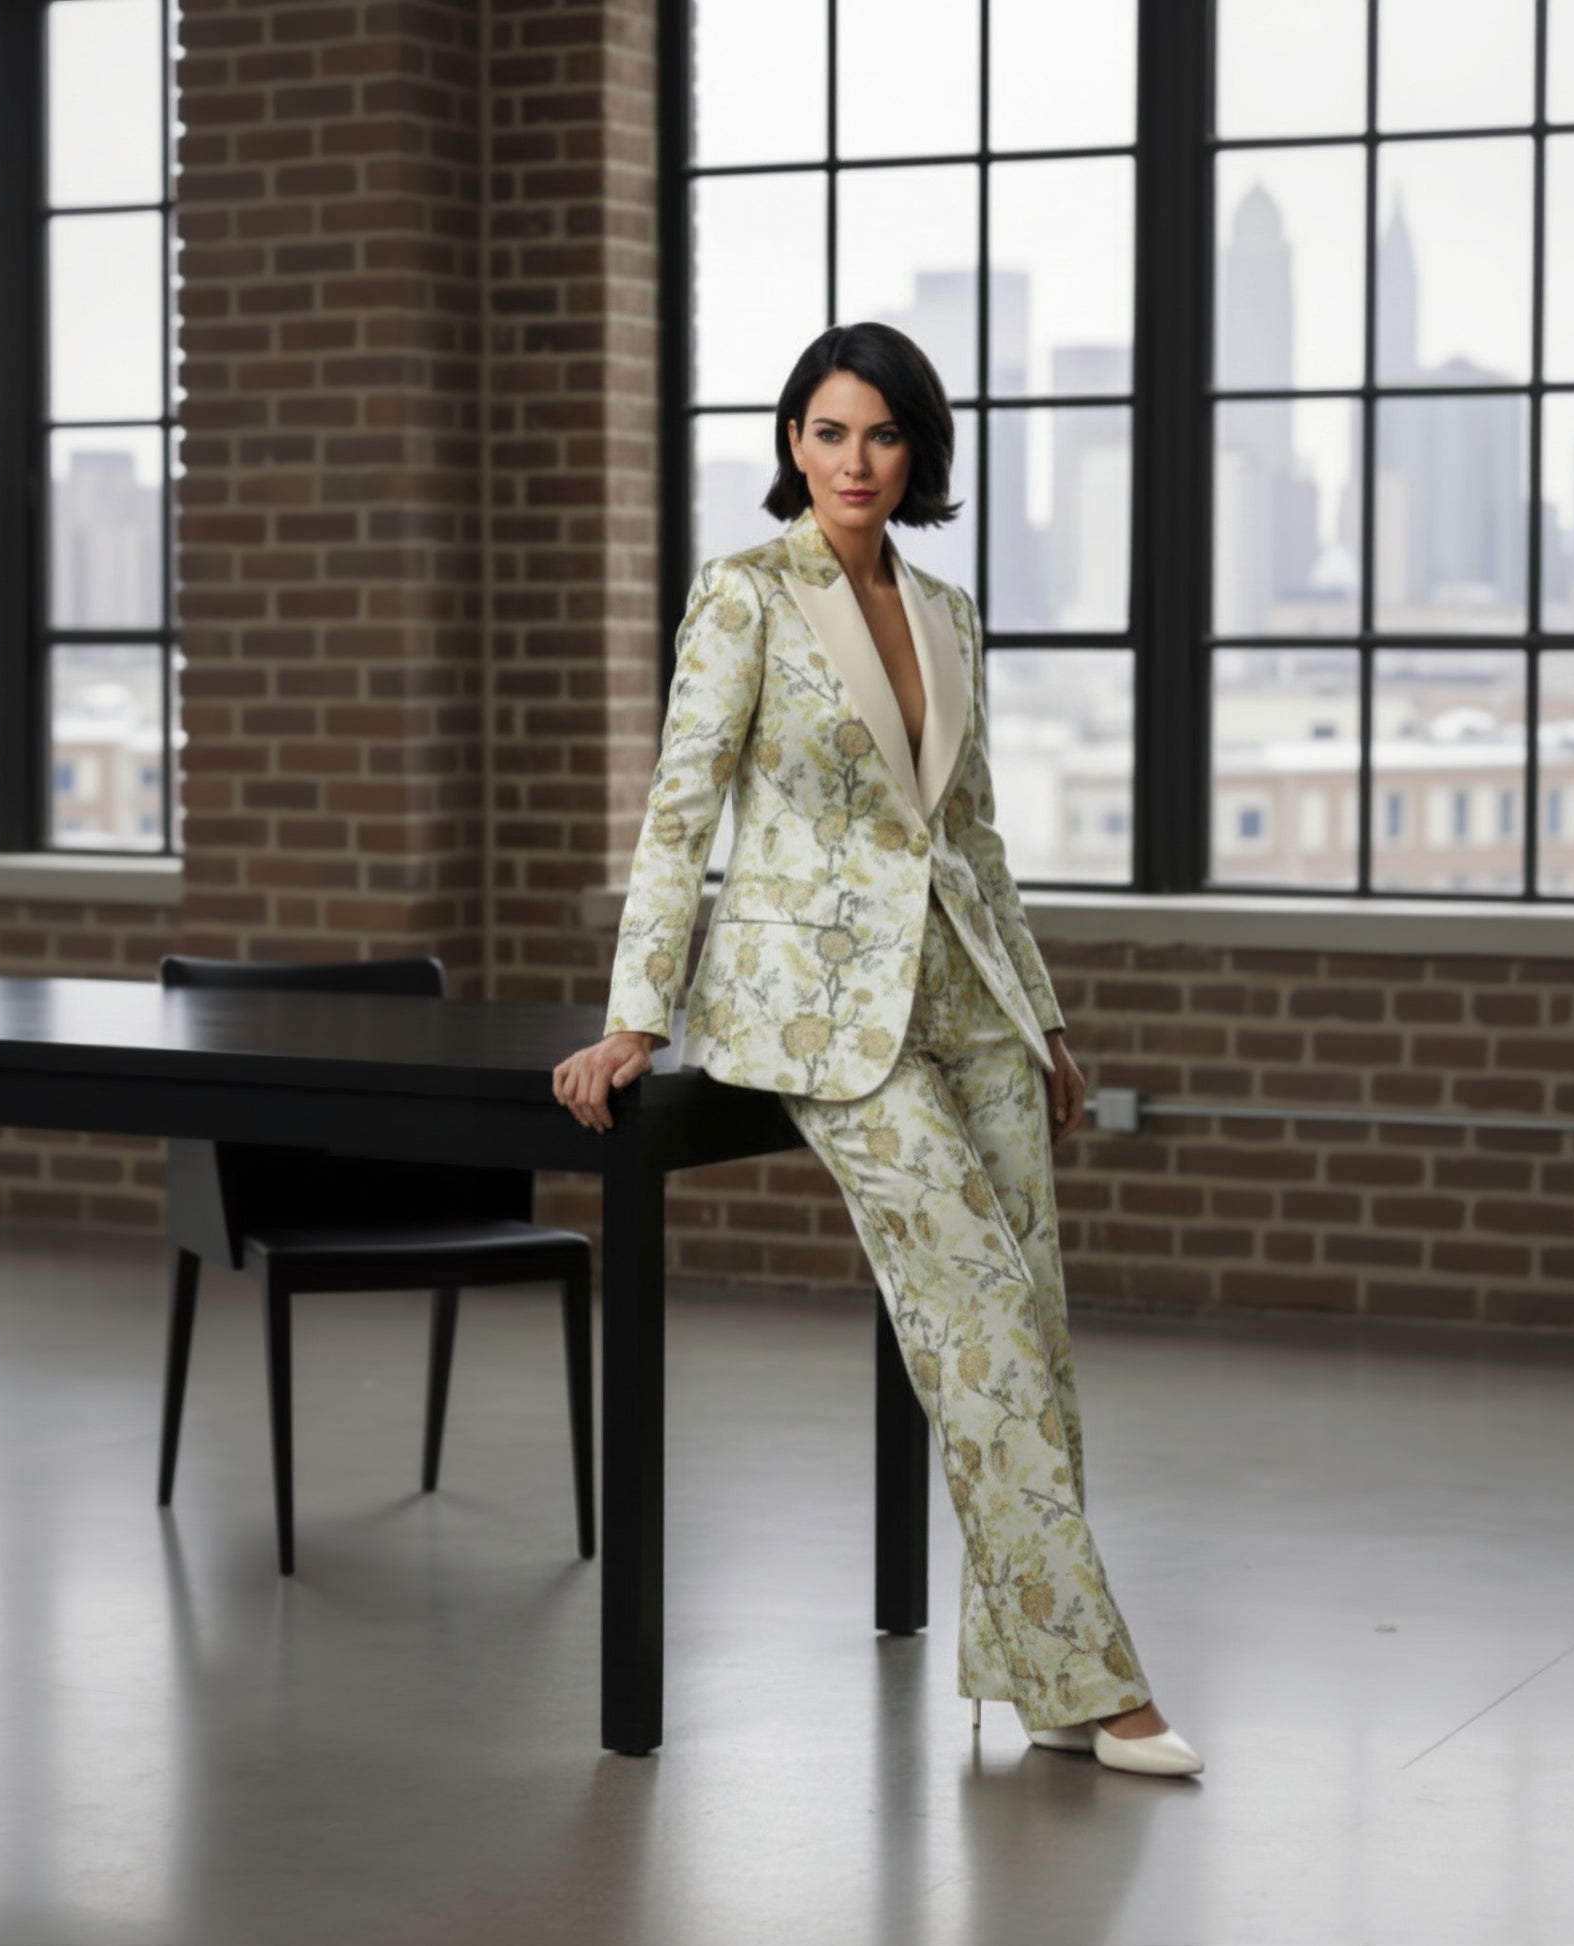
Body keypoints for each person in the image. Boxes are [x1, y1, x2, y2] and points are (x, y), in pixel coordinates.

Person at [553, 322, 1203, 1779]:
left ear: (919, 453)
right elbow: (680, 810)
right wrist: (633, 1015)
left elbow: (969, 833)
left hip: (965, 993)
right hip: (816, 1009)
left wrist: (1041, 1014)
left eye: (883, 435)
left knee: (1027, 1330)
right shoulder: (744, 599)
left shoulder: (947, 608)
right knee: (969, 1315)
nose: (854, 461)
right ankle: (1098, 1682)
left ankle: (1029, 1666)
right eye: (828, 431)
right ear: (792, 442)